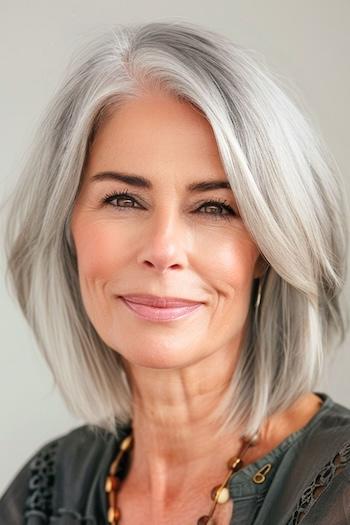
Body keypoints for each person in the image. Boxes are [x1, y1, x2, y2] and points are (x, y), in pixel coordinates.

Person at [0, 19, 349, 525]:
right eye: (123, 199)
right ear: (67, 225)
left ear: (271, 246)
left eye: (214, 208)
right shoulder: (44, 492)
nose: (163, 250)